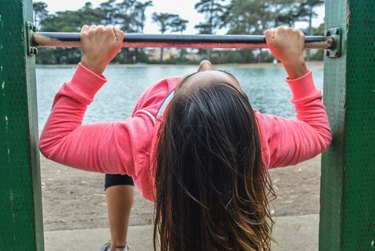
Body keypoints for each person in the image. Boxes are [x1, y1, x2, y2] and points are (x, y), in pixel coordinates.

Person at [39, 25, 331, 251]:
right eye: (220, 73)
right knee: (218, 220)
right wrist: (296, 65)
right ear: (247, 115)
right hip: (202, 184)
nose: (205, 62)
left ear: (169, 115)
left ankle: (118, 245)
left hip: (156, 174)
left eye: (194, 75)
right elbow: (318, 132)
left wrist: (91, 65)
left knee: (124, 170)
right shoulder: (261, 133)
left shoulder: (140, 139)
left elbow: (55, 140)